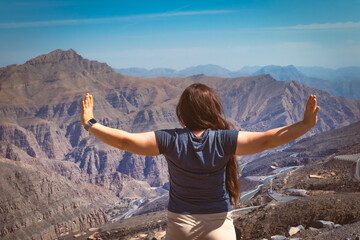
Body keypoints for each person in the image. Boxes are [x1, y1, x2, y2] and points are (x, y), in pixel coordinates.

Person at [80, 83, 319, 240]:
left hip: (180, 225)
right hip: (219, 227)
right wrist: (305, 125)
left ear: (182, 112)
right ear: (213, 109)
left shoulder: (170, 139)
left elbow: (126, 142)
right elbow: (267, 141)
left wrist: (91, 123)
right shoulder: (225, 139)